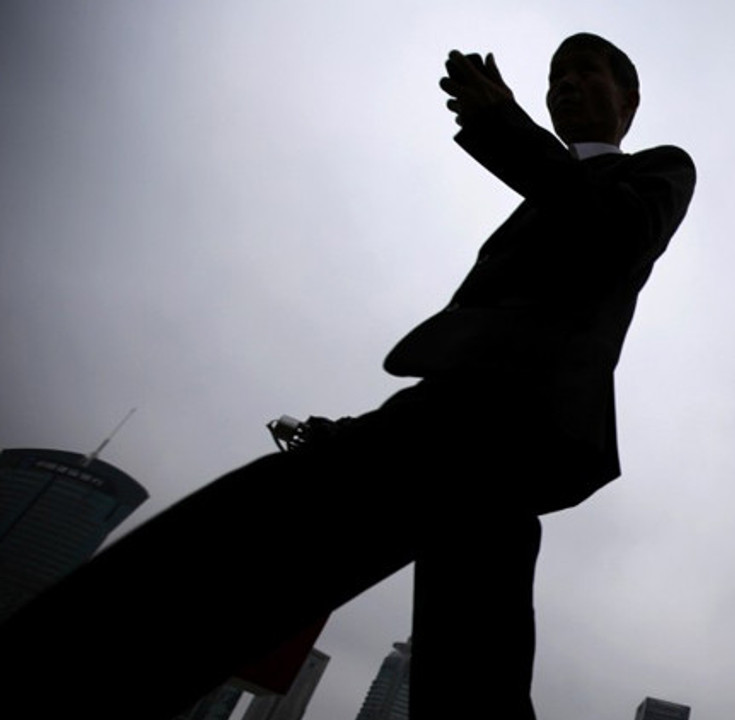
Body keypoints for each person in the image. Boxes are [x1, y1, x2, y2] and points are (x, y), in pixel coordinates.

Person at [0, 33, 694, 720]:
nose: (563, 84)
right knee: (474, 663)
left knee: (227, 550)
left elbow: (617, 236)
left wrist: (504, 126)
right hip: (478, 437)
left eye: (584, 71)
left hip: (491, 423)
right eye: (554, 76)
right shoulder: (545, 192)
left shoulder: (657, 171)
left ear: (628, 100)